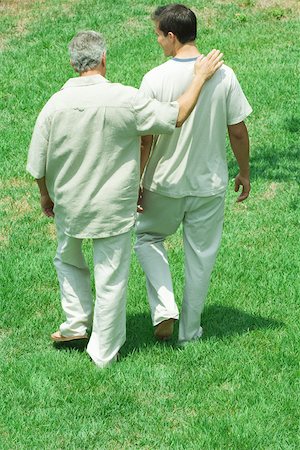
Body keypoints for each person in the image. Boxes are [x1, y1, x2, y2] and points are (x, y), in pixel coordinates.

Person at [26, 30, 223, 367]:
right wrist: (201, 77)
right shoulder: (125, 99)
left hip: (68, 204)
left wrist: (46, 196)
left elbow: (37, 164)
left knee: (67, 260)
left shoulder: (54, 105)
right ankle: (103, 353)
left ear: (73, 64)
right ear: (104, 59)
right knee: (111, 277)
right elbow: (175, 116)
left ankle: (74, 323)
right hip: (113, 206)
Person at [135, 4, 252, 345]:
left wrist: (137, 182)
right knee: (200, 258)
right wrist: (244, 171)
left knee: (147, 239)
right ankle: (189, 333)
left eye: (158, 35)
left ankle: (164, 307)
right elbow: (239, 131)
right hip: (209, 186)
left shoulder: (153, 79)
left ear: (171, 36)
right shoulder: (224, 75)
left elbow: (145, 139)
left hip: (163, 183)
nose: (157, 41)